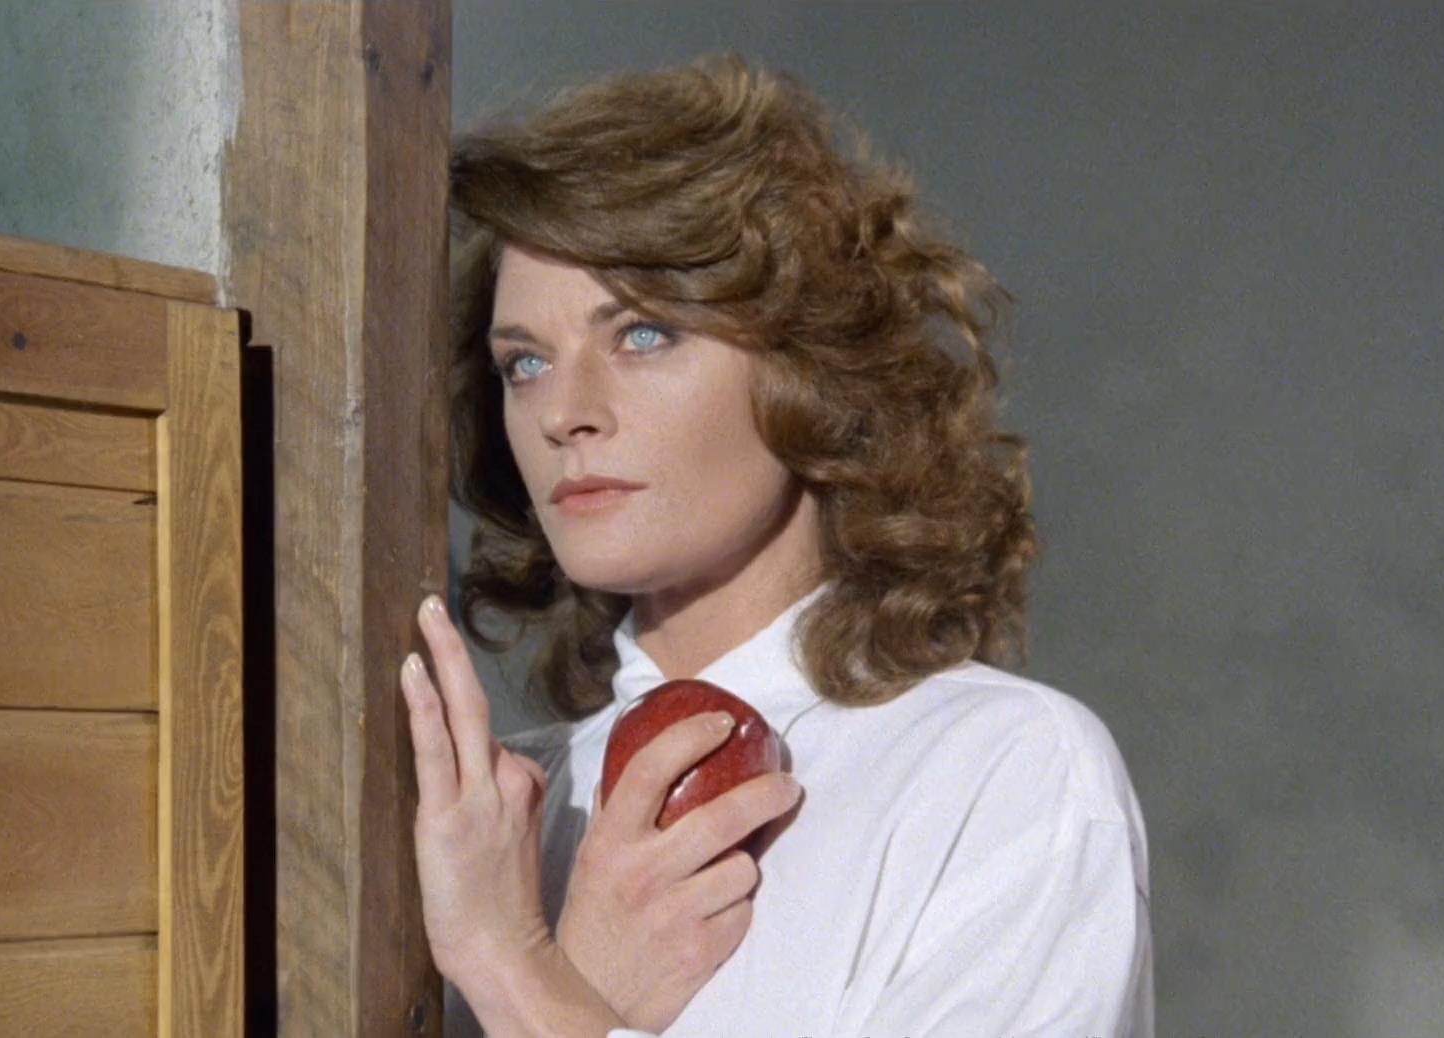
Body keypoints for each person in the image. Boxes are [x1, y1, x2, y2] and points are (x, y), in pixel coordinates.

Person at [398, 54, 1152, 1037]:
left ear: (811, 367)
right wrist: (578, 978)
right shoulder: (489, 820)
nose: (563, 413)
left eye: (643, 335)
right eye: (526, 362)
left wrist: (516, 973)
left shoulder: (1000, 774)